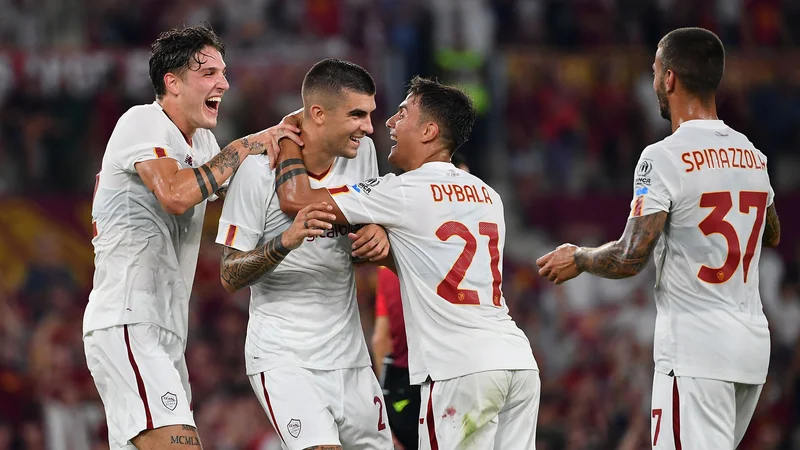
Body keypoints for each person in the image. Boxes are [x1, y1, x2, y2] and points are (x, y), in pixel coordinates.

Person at [536, 27, 781, 449]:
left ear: (669, 78)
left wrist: (578, 257)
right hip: (751, 350)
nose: (653, 83)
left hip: (696, 349)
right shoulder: (753, 154)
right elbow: (770, 232)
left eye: (653, 72)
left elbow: (630, 257)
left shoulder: (663, 156)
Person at [275, 76, 540, 450]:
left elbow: (296, 198)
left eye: (402, 114)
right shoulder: (489, 195)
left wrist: (287, 135)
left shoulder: (403, 190)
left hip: (457, 369)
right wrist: (386, 248)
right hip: (517, 363)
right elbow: (434, 267)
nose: (389, 123)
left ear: (429, 130)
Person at [82, 24, 303, 450]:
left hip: (166, 331)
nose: (224, 82)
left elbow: (234, 185)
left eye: (224, 72)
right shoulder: (142, 121)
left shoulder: (201, 141)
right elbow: (177, 195)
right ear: (173, 82)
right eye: (209, 73)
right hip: (129, 318)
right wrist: (242, 147)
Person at [215, 59, 393, 450]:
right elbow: (228, 274)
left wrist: (376, 230)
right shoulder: (256, 171)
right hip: (285, 358)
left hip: (351, 358)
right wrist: (285, 242)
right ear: (317, 114)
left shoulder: (361, 154)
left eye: (369, 115)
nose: (368, 127)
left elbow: (365, 216)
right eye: (357, 115)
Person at [371, 153, 470, 450]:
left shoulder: (390, 255)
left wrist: (385, 398)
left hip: (402, 383)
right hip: (444, 377)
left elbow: (380, 337)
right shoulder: (462, 256)